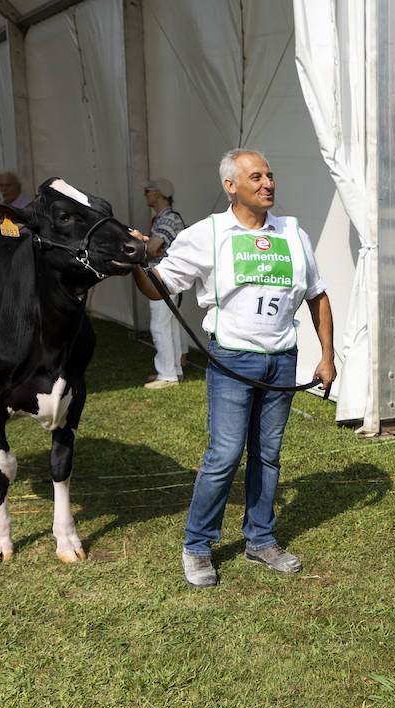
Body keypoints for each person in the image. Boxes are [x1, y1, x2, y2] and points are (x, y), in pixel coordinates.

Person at [131, 149, 336, 588]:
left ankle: (260, 540)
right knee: (224, 455)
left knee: (267, 454)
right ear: (231, 186)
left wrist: (327, 356)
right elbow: (157, 287)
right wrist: (134, 259)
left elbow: (317, 296)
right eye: (255, 177)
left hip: (281, 360)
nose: (268, 184)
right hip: (232, 360)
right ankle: (198, 545)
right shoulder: (207, 234)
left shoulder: (293, 234)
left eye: (270, 176)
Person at [141, 178, 187, 389]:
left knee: (160, 326)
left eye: (147, 191)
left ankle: (167, 375)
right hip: (170, 278)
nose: (145, 195)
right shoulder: (166, 218)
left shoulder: (167, 220)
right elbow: (154, 248)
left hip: (163, 277)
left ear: (157, 194)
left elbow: (153, 249)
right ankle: (174, 369)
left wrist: (144, 246)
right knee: (169, 325)